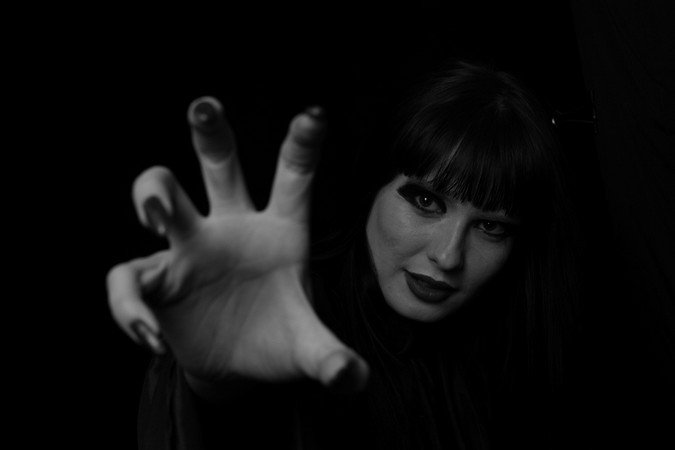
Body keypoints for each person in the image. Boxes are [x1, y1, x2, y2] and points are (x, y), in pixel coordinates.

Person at [107, 60, 581, 449]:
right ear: (373, 185)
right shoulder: (295, 308)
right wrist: (215, 389)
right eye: (425, 200)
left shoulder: (516, 359)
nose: (448, 255)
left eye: (491, 226)